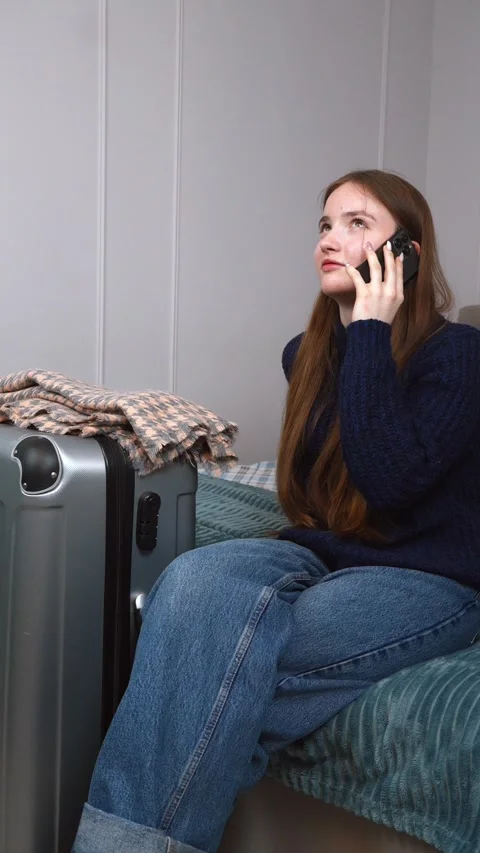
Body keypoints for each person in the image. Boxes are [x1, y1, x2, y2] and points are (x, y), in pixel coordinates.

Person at [73, 169, 480, 853]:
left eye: (358, 224)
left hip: (428, 573)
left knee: (219, 663)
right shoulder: (308, 354)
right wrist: (356, 343)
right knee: (195, 584)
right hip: (324, 548)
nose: (330, 238)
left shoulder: (461, 355)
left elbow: (392, 483)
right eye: (325, 223)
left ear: (405, 253)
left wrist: (374, 331)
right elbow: (313, 493)